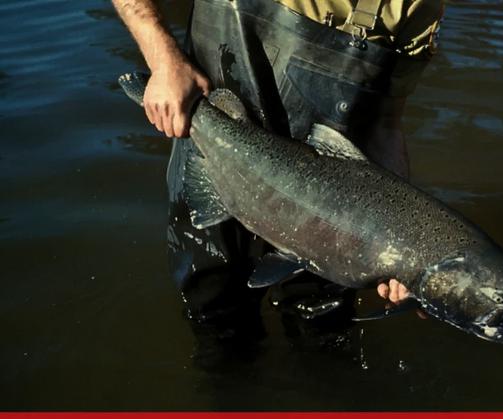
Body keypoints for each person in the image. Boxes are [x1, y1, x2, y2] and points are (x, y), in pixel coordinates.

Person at [112, 0, 441, 336]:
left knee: (322, 332)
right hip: (217, 152)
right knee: (216, 316)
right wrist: (163, 59)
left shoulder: (418, 6)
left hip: (329, 206)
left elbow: (384, 125)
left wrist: (402, 245)